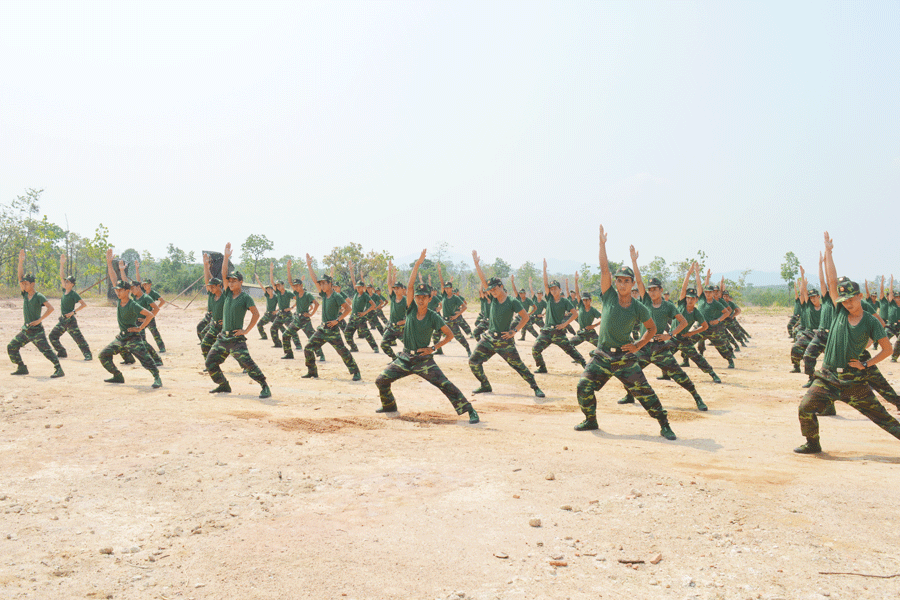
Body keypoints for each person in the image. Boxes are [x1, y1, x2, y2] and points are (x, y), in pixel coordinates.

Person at [795, 232, 900, 454]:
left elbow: (887, 349)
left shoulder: (871, 321)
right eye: (844, 300)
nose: (848, 303)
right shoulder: (839, 312)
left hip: (854, 382)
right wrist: (829, 253)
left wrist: (867, 364)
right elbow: (832, 282)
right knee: (805, 408)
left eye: (851, 299)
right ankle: (813, 444)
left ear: (860, 297)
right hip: (828, 377)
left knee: (883, 418)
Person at [573, 226, 676, 440]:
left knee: (645, 393)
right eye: (619, 280)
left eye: (626, 281)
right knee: (583, 386)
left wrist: (638, 345)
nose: (621, 284)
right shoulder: (609, 296)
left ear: (631, 284)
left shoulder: (639, 307)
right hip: (602, 355)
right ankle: (591, 420)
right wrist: (602, 245)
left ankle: (664, 424)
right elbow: (603, 270)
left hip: (624, 358)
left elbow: (652, 329)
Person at [375, 250, 479, 424]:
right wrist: (417, 264)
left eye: (424, 297)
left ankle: (470, 410)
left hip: (424, 360)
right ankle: (389, 406)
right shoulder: (410, 309)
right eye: (418, 296)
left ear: (430, 298)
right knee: (381, 380)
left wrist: (433, 348)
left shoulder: (433, 316)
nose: (420, 299)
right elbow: (409, 286)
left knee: (445, 384)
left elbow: (449, 334)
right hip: (405, 358)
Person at [617, 247, 707, 411]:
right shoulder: (644, 301)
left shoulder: (668, 306)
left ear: (660, 290)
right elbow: (638, 279)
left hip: (660, 347)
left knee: (679, 375)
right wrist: (634, 261)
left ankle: (697, 398)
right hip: (644, 345)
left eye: (655, 289)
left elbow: (683, 323)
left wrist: (670, 335)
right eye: (650, 289)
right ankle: (630, 396)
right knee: (628, 370)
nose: (652, 292)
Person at [468, 250, 545, 398]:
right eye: (491, 290)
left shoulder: (512, 301)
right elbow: (484, 281)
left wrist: (514, 331)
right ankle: (485, 385)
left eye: (495, 289)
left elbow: (525, 318)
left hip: (504, 339)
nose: (493, 292)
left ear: (501, 286)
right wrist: (477, 264)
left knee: (519, 366)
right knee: (473, 361)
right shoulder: (494, 298)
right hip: (489, 338)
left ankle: (535, 387)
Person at [204, 243, 271, 398]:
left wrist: (246, 330)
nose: (231, 283)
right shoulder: (227, 293)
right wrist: (226, 257)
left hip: (235, 339)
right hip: (223, 338)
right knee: (210, 363)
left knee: (248, 364)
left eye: (235, 281)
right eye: (230, 281)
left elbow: (256, 314)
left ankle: (264, 385)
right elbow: (223, 272)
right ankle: (223, 385)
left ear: (241, 282)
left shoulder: (245, 298)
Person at [99, 249, 159, 388]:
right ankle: (117, 376)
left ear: (127, 291)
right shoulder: (120, 299)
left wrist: (140, 327)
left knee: (146, 361)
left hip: (133, 337)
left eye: (120, 290)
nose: (118, 292)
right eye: (117, 290)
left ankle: (157, 378)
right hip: (121, 337)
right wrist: (109, 263)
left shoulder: (133, 304)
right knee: (103, 355)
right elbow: (114, 278)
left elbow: (150, 314)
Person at [301, 254, 362, 380]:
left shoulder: (336, 296)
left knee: (343, 352)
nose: (322, 286)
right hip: (322, 329)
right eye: (321, 284)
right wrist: (309, 265)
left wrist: (337, 320)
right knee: (308, 348)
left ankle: (356, 372)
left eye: (324, 283)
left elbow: (348, 309)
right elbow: (314, 280)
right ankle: (312, 371)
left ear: (330, 284)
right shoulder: (324, 295)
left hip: (332, 330)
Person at [8, 249, 64, 378]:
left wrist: (39, 320)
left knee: (47, 351)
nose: (24, 285)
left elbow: (50, 308)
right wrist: (20, 262)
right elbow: (19, 277)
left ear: (32, 284)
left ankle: (59, 369)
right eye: (23, 284)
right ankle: (22, 368)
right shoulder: (25, 294)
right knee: (11, 347)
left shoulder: (39, 296)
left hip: (36, 331)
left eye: (26, 283)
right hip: (26, 330)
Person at [666, 262, 722, 384]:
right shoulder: (681, 304)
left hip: (684, 339)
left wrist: (691, 334)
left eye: (692, 298)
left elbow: (705, 326)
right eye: (688, 298)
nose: (689, 300)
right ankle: (665, 374)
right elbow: (683, 287)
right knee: (663, 355)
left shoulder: (696, 313)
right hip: (673, 338)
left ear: (696, 300)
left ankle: (713, 374)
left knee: (698, 358)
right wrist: (689, 272)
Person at [531, 259, 586, 373]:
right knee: (535, 349)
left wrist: (565, 324)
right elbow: (545, 283)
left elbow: (575, 314)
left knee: (571, 351)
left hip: (558, 332)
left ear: (560, 289)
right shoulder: (549, 298)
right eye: (551, 289)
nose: (553, 290)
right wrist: (545, 269)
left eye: (555, 288)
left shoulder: (565, 301)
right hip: (546, 332)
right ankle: (542, 367)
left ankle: (587, 367)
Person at [48, 253, 92, 361]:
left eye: (68, 282)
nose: (66, 283)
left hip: (70, 320)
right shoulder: (64, 290)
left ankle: (88, 355)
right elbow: (61, 276)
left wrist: (73, 312)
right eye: (66, 281)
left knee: (78, 339)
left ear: (72, 284)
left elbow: (83, 304)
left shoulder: (73, 294)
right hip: (63, 320)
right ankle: (62, 352)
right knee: (52, 336)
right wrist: (61, 264)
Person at [280, 260, 325, 361]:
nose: (295, 287)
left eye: (297, 285)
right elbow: (290, 281)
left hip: (305, 320)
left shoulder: (307, 294)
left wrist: (311, 314)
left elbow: (317, 304)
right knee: (285, 335)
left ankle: (321, 355)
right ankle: (289, 354)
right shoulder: (296, 293)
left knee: (312, 338)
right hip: (296, 319)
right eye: (294, 286)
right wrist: (288, 269)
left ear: (301, 285)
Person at [343, 261, 379, 353]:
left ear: (363, 287)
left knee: (366, 334)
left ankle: (375, 347)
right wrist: (351, 270)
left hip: (360, 317)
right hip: (352, 318)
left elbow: (374, 305)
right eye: (357, 287)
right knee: (347, 333)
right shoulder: (356, 293)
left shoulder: (365, 295)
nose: (357, 288)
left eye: (359, 287)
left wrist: (365, 313)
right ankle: (354, 347)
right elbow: (353, 280)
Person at [436, 263, 471, 356]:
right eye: (445, 289)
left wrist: (457, 315)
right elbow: (441, 282)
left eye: (448, 288)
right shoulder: (444, 295)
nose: (446, 290)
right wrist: (439, 271)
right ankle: (438, 350)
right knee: (436, 334)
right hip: (444, 320)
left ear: (451, 288)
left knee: (459, 337)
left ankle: (468, 350)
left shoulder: (455, 298)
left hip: (452, 320)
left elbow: (465, 306)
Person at [135, 262, 167, 353]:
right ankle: (144, 349)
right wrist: (137, 269)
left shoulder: (153, 293)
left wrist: (154, 310)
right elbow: (138, 281)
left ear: (150, 284)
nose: (145, 286)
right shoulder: (142, 292)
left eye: (147, 284)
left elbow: (162, 301)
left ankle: (162, 348)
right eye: (144, 285)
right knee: (140, 332)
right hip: (142, 316)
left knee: (154, 333)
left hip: (150, 316)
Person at [379, 260, 408, 360]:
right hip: (391, 327)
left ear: (402, 289)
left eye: (397, 288)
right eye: (394, 288)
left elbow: (412, 314)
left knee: (410, 347)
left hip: (402, 328)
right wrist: (389, 270)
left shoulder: (406, 300)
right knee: (383, 344)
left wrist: (404, 321)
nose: (395, 290)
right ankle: (394, 359)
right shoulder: (392, 297)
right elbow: (389, 284)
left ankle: (411, 361)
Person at [199, 253, 225, 360]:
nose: (210, 288)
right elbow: (207, 281)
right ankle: (209, 363)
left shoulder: (225, 297)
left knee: (233, 348)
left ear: (219, 286)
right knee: (204, 343)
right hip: (214, 324)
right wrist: (205, 266)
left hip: (225, 326)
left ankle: (246, 367)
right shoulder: (212, 294)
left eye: (213, 287)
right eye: (210, 287)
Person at [568, 272, 601, 349]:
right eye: (584, 300)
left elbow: (604, 319)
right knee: (569, 345)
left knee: (602, 347)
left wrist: (593, 326)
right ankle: (579, 359)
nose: (585, 302)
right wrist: (576, 281)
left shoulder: (593, 310)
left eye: (587, 300)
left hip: (590, 334)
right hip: (581, 333)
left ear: (590, 300)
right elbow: (577, 293)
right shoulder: (581, 306)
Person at [254, 273, 278, 341]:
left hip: (273, 315)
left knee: (280, 326)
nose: (268, 290)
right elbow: (261, 287)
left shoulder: (276, 297)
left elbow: (281, 305)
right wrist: (258, 279)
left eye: (269, 289)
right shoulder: (267, 295)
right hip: (267, 315)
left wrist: (276, 311)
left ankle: (288, 336)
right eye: (267, 289)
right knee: (259, 325)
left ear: (272, 290)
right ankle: (264, 336)